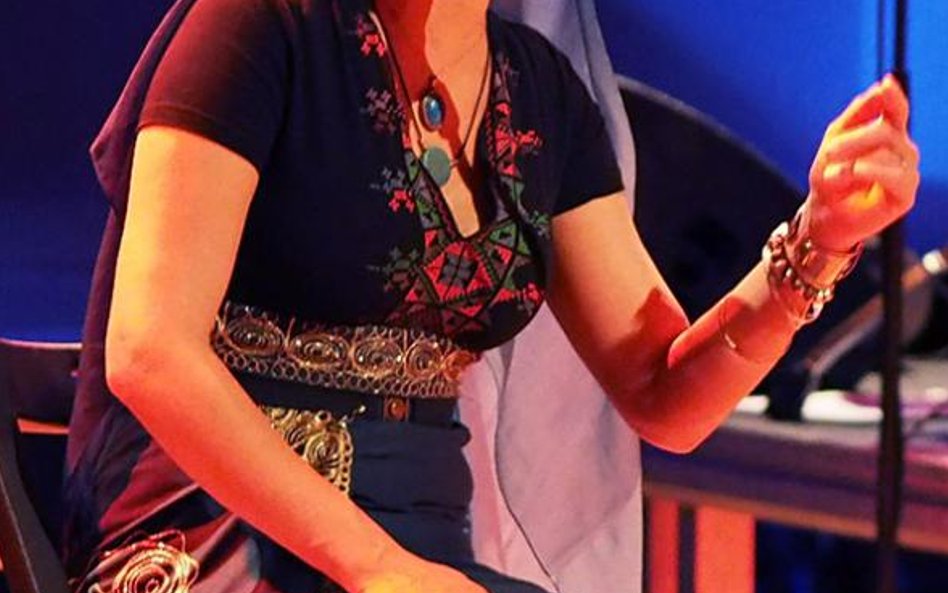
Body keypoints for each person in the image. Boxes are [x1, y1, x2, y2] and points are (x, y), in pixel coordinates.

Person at [61, 0, 919, 591]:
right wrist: (374, 565)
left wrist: (820, 240)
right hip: (224, 528)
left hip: (423, 545)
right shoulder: (262, 26)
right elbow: (150, 350)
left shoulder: (539, 91)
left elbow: (665, 393)